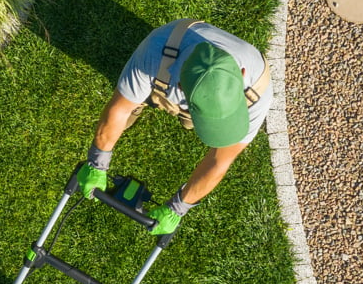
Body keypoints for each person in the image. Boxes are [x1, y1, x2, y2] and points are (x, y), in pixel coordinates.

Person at [76, 19, 273, 234]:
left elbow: (220, 160)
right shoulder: (155, 52)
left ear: (242, 74)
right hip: (165, 70)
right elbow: (119, 110)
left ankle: (188, 116)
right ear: (181, 89)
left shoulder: (258, 90)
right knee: (130, 106)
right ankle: (147, 99)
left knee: (190, 124)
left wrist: (178, 208)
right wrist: (97, 162)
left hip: (184, 87)